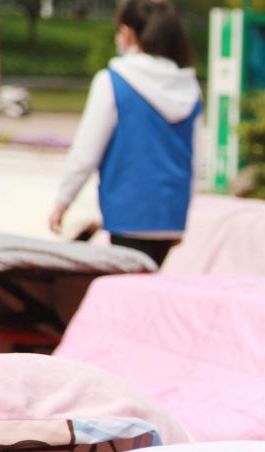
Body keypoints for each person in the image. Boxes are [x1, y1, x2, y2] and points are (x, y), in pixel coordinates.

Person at [49, 0, 201, 267]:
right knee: (147, 283)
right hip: (171, 215)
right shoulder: (189, 87)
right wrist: (182, 217)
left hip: (127, 212)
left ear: (127, 32)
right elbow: (194, 159)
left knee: (129, 287)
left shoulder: (113, 80)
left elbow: (86, 152)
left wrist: (63, 201)